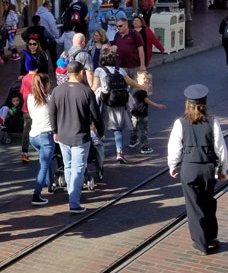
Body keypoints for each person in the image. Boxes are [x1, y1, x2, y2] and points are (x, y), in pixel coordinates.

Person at [168, 84, 228, 255]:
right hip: (209, 168)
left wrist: (173, 165)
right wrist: (224, 168)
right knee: (209, 201)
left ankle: (200, 243)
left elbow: (174, 147)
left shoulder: (180, 123)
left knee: (194, 205)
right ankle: (211, 237)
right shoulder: (213, 122)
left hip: (189, 168)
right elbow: (220, 148)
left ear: (188, 103)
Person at [50, 61, 103, 214]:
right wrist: (100, 131)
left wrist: (55, 131)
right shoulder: (86, 92)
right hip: (80, 135)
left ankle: (71, 194)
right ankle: (74, 201)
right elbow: (96, 115)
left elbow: (52, 113)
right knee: (78, 168)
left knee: (68, 166)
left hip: (63, 135)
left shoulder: (57, 91)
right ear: (80, 73)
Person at [91, 48, 143, 166]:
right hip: (119, 102)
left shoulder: (99, 70)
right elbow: (131, 82)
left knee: (100, 126)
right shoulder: (120, 70)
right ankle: (119, 152)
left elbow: (94, 87)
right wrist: (142, 86)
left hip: (106, 101)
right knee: (117, 129)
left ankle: (99, 153)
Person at [26, 73, 56, 205]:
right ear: (46, 85)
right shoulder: (49, 99)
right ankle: (36, 195)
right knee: (43, 165)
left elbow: (32, 115)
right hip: (46, 135)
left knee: (46, 160)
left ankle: (50, 185)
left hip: (33, 135)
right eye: (49, 82)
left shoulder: (30, 97)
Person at [130, 81, 164, 156]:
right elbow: (147, 100)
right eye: (144, 80)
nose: (146, 82)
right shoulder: (143, 91)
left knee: (134, 128)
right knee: (144, 130)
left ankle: (133, 141)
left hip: (134, 112)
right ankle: (144, 147)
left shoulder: (134, 90)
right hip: (142, 113)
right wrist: (157, 105)